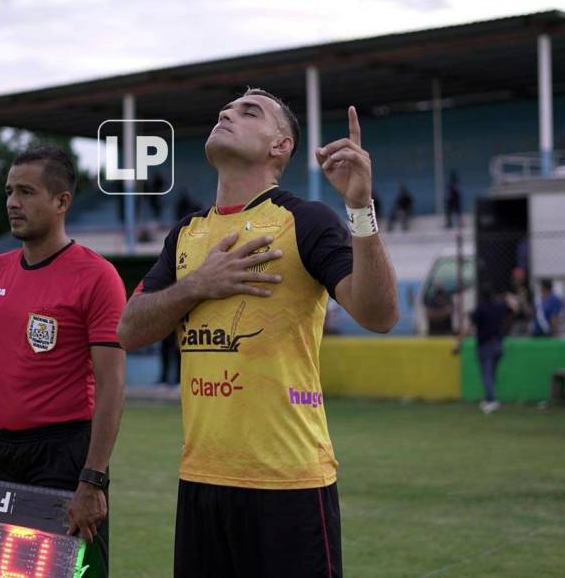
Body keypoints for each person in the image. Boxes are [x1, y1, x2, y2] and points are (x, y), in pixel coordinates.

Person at [117, 88, 398, 577]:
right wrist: (198, 285)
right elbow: (128, 329)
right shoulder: (186, 234)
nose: (227, 113)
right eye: (225, 109)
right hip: (201, 479)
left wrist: (360, 207)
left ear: (281, 146)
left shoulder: (304, 220)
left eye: (250, 112)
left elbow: (379, 314)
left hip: (288, 483)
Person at [0, 147, 126, 578]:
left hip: (65, 456)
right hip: (0, 452)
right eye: (9, 191)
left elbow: (112, 386)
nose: (12, 202)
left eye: (27, 192)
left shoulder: (97, 276)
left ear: (61, 202)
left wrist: (92, 481)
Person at [456, 285, 514, 414]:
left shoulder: (480, 308)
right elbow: (513, 309)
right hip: (499, 344)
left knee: (486, 375)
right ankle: (489, 399)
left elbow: (469, 326)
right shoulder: (499, 306)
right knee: (492, 374)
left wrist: (459, 343)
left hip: (485, 345)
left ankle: (492, 401)